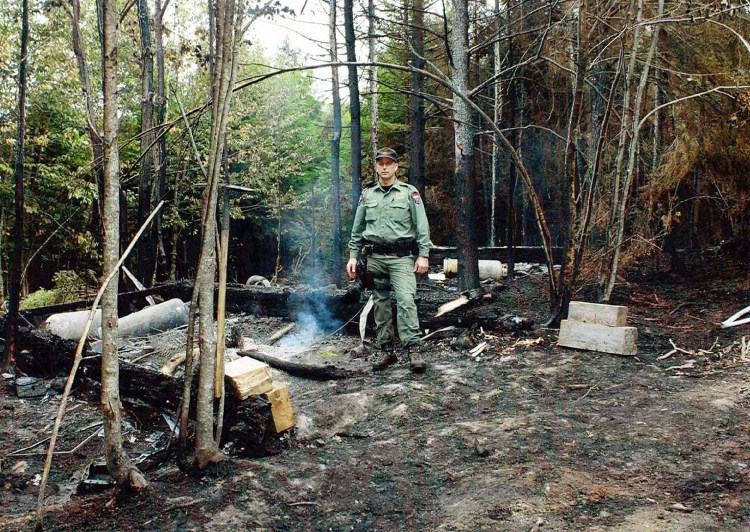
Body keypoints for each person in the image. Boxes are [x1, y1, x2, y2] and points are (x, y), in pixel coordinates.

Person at [346, 147, 432, 372]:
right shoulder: (368, 194)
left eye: (388, 163)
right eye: (380, 163)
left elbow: (422, 226)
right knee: (380, 303)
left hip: (401, 258)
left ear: (395, 167)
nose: (384, 166)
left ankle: (413, 349)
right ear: (376, 167)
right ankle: (386, 350)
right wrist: (353, 256)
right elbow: (357, 229)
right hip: (374, 258)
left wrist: (423, 254)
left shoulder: (408, 192)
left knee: (405, 300)